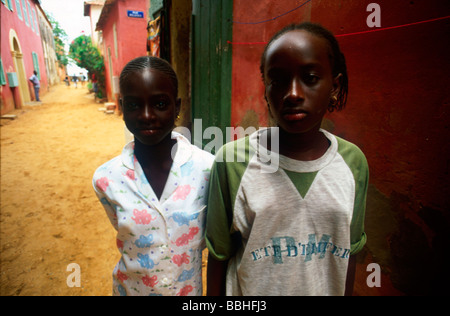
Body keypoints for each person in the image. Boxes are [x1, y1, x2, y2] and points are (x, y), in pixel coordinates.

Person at [206, 22, 369, 296]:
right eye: (278, 81)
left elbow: (349, 252)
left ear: (334, 86)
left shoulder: (353, 163)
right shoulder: (232, 162)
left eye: (310, 77)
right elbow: (219, 255)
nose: (292, 93)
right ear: (266, 91)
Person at [93, 56, 214, 296]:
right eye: (134, 105)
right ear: (122, 106)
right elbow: (126, 231)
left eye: (159, 104)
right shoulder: (106, 179)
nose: (146, 115)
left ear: (176, 107)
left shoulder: (206, 169)